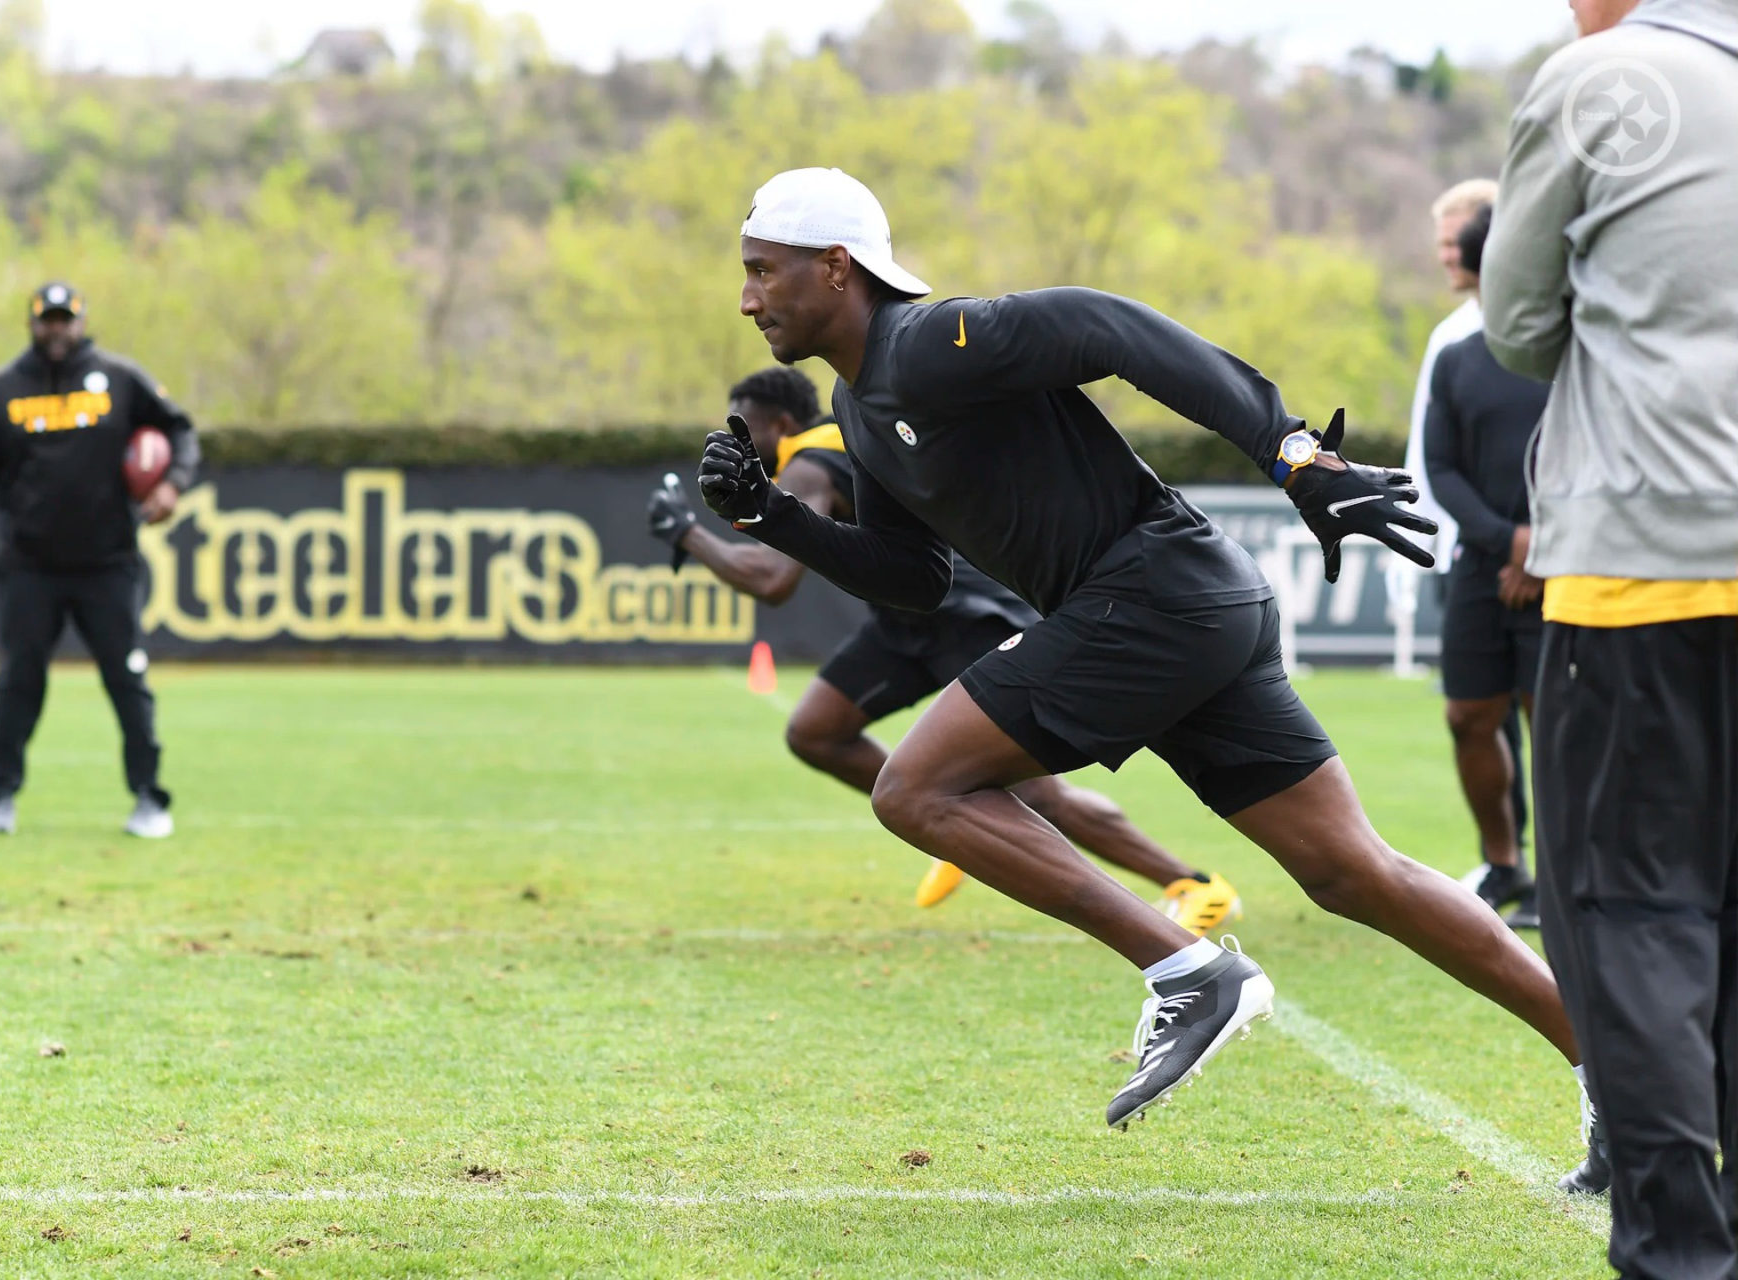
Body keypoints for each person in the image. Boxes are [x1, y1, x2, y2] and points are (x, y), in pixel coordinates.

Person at [697, 167, 1599, 1179]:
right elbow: (914, 579)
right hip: (1188, 603)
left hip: (1156, 594)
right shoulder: (862, 407)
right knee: (1355, 871)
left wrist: (1290, 449)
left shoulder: (933, 340)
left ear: (834, 265)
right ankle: (1616, 1068)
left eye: (762, 271)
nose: (747, 298)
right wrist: (774, 518)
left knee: (915, 786)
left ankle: (1187, 968)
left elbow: (1114, 326)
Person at [647, 366, 1241, 931]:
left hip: (964, 616)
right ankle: (949, 816)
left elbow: (772, 580)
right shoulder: (835, 444)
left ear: (776, 423)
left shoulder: (810, 455)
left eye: (742, 425)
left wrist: (686, 533)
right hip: (905, 624)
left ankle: (1191, 883)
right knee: (816, 731)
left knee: (1039, 794)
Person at [1483, 0, 1738, 1260]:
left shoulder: (1606, 75)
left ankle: (1684, 1248)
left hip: (1650, 563)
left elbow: (1518, 326)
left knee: (1632, 916)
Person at [0, 282, 198, 839]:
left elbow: (180, 428)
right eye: (47, 320)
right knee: (18, 682)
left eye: (66, 320)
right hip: (29, 565)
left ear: (81, 322)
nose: (57, 330)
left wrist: (173, 484)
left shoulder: (121, 380)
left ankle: (150, 797)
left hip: (107, 562)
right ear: (32, 324)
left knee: (127, 681)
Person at [1403, 178, 1536, 921]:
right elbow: (1440, 467)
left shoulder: (1571, 351)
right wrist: (1506, 542)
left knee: (1554, 725)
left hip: (1566, 568)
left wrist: (1542, 546)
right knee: (1468, 716)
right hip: (1481, 566)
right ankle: (1503, 865)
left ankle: (1567, 870)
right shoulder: (1457, 353)